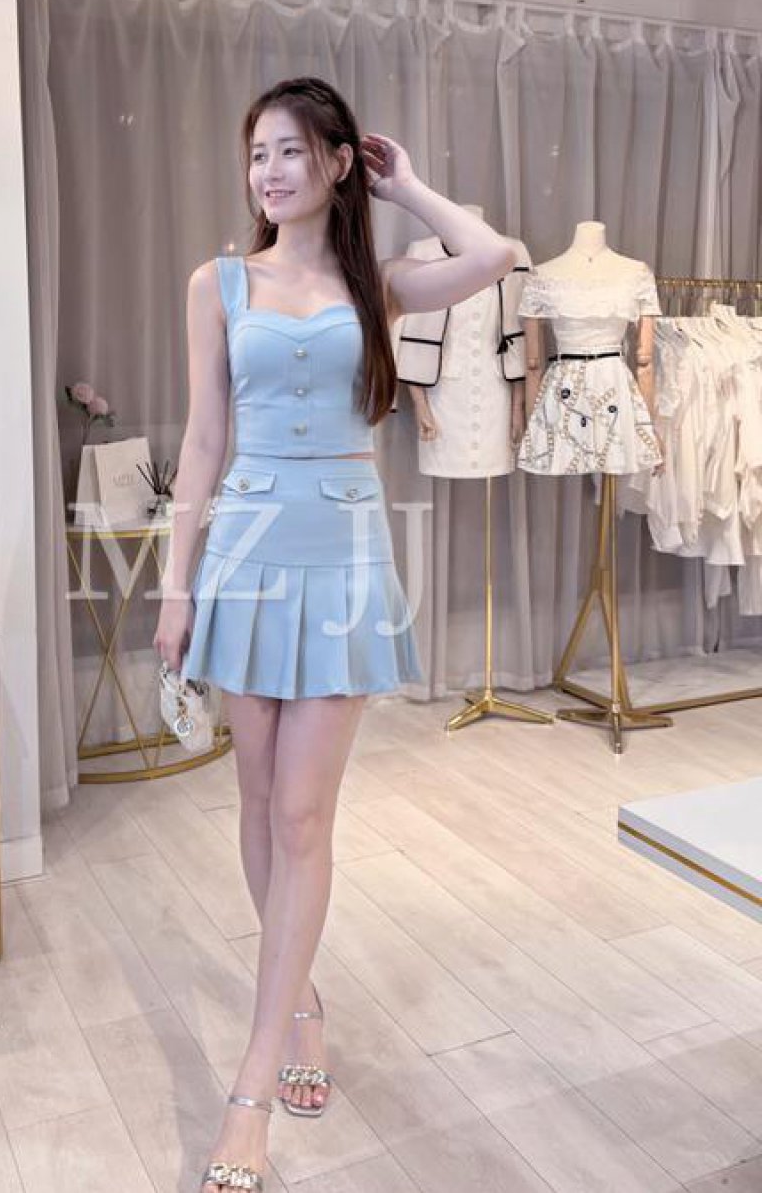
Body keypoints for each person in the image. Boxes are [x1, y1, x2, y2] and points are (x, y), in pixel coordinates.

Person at [153, 76, 516, 1193]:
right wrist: (174, 586)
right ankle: (301, 1001)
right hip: (246, 553)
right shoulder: (218, 284)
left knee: (305, 815)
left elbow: (496, 254)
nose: (268, 172)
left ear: (337, 162)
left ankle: (251, 1088)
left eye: (291, 151)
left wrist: (409, 189)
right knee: (260, 804)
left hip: (347, 559)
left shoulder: (383, 284)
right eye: (257, 152)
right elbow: (203, 442)